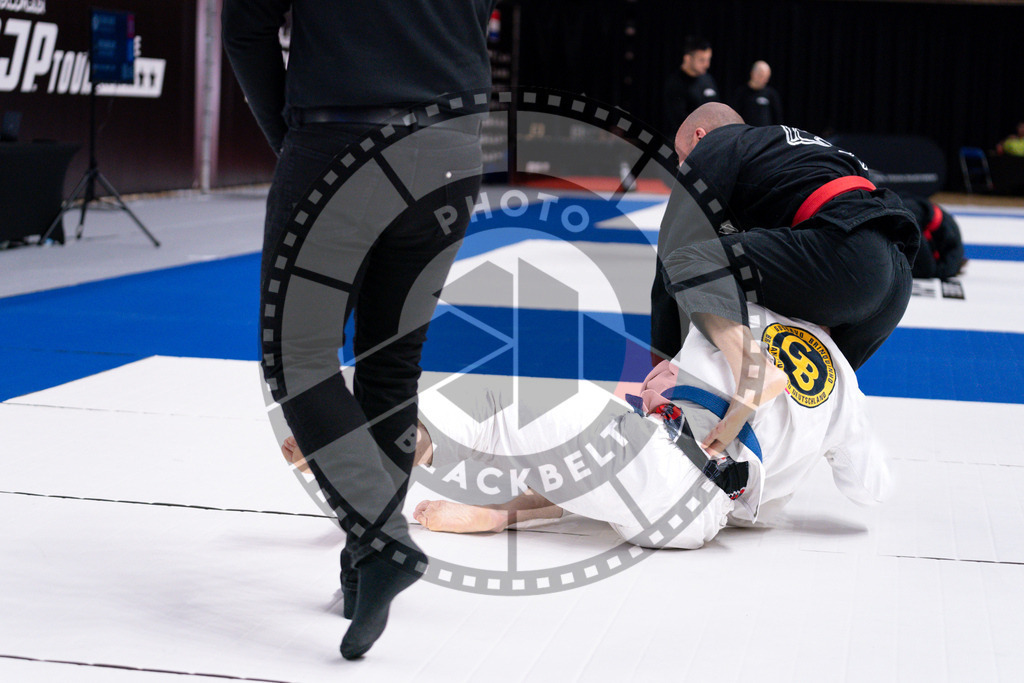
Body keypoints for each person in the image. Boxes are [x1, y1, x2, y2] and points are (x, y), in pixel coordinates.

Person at [222, 0, 493, 660]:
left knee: (296, 353)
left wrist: (287, 136)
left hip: (337, 136)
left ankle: (379, 537)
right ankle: (363, 568)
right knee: (391, 361)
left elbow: (246, 30)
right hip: (452, 149)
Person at [285, 304, 892, 549]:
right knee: (600, 438)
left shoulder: (743, 312)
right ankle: (499, 512)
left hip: (684, 476)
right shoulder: (850, 397)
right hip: (688, 498)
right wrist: (821, 440)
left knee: (546, 411)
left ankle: (385, 442)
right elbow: (870, 490)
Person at [651, 103, 919, 458]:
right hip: (892, 280)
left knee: (687, 259)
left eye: (681, 158)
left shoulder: (720, 142)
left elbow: (674, 251)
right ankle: (753, 459)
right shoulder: (793, 147)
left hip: (843, 254)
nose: (682, 170)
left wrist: (664, 371)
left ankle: (751, 371)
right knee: (794, 403)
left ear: (699, 137)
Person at [662, 36, 719, 139]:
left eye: (708, 59)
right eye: (702, 60)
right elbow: (678, 119)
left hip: (707, 140)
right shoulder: (675, 83)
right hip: (684, 142)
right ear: (687, 58)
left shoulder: (708, 80)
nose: (707, 65)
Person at [900, 196, 967, 280]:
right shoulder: (954, 250)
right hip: (914, 214)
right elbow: (931, 270)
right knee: (926, 270)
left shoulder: (953, 250)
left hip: (912, 210)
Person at [731, 61, 783, 127]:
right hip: (746, 133)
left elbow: (777, 117)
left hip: (765, 134)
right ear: (753, 74)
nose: (765, 80)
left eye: (767, 77)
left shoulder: (771, 94)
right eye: (762, 76)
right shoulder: (741, 93)